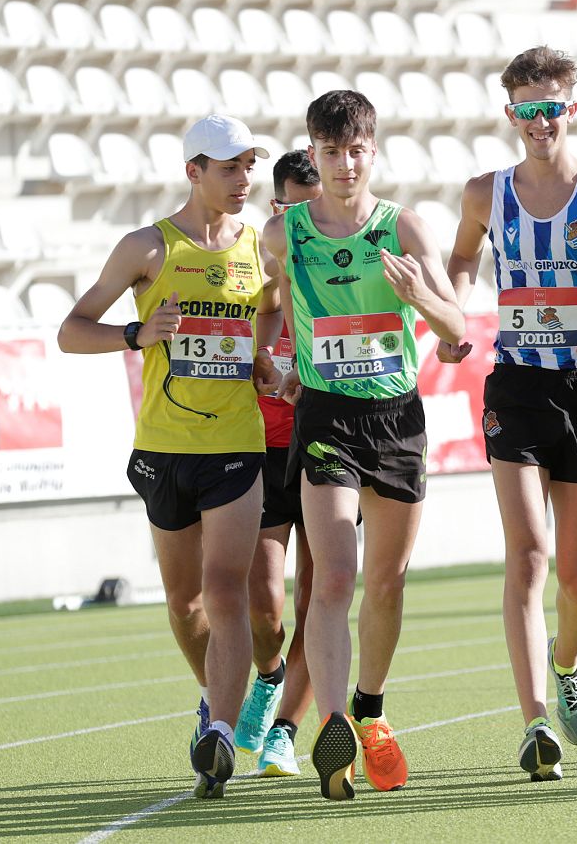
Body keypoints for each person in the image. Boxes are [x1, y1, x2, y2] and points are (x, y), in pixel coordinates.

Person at [58, 114, 283, 798]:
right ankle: (212, 703)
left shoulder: (259, 249)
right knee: (186, 605)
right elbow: (71, 331)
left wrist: (263, 360)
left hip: (235, 447)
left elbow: (266, 315)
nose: (243, 180)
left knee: (226, 589)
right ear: (194, 172)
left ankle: (219, 728)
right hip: (162, 449)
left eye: (249, 165)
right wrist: (135, 330)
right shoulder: (146, 248)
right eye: (228, 167)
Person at [442, 45, 577, 782]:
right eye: (526, 108)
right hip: (516, 385)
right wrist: (452, 311)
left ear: (572, 107)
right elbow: (461, 262)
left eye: (551, 106)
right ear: (510, 114)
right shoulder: (483, 193)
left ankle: (566, 665)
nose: (539, 120)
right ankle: (534, 719)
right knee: (528, 554)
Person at [265, 91, 469, 800]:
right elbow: (269, 304)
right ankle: (333, 729)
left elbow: (458, 331)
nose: (344, 165)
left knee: (386, 581)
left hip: (396, 420)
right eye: (330, 152)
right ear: (313, 153)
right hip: (327, 418)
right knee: (335, 578)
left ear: (372, 151)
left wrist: (421, 298)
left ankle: (371, 712)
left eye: (356, 151)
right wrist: (278, 360)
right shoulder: (283, 232)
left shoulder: (403, 227)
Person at [249, 150, 323, 778]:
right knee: (261, 601)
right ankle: (268, 676)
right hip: (265, 452)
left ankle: (284, 732)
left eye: (312, 209)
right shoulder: (255, 283)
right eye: (290, 209)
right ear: (275, 211)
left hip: (327, 448)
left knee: (316, 600)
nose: (300, 223)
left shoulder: (342, 279)